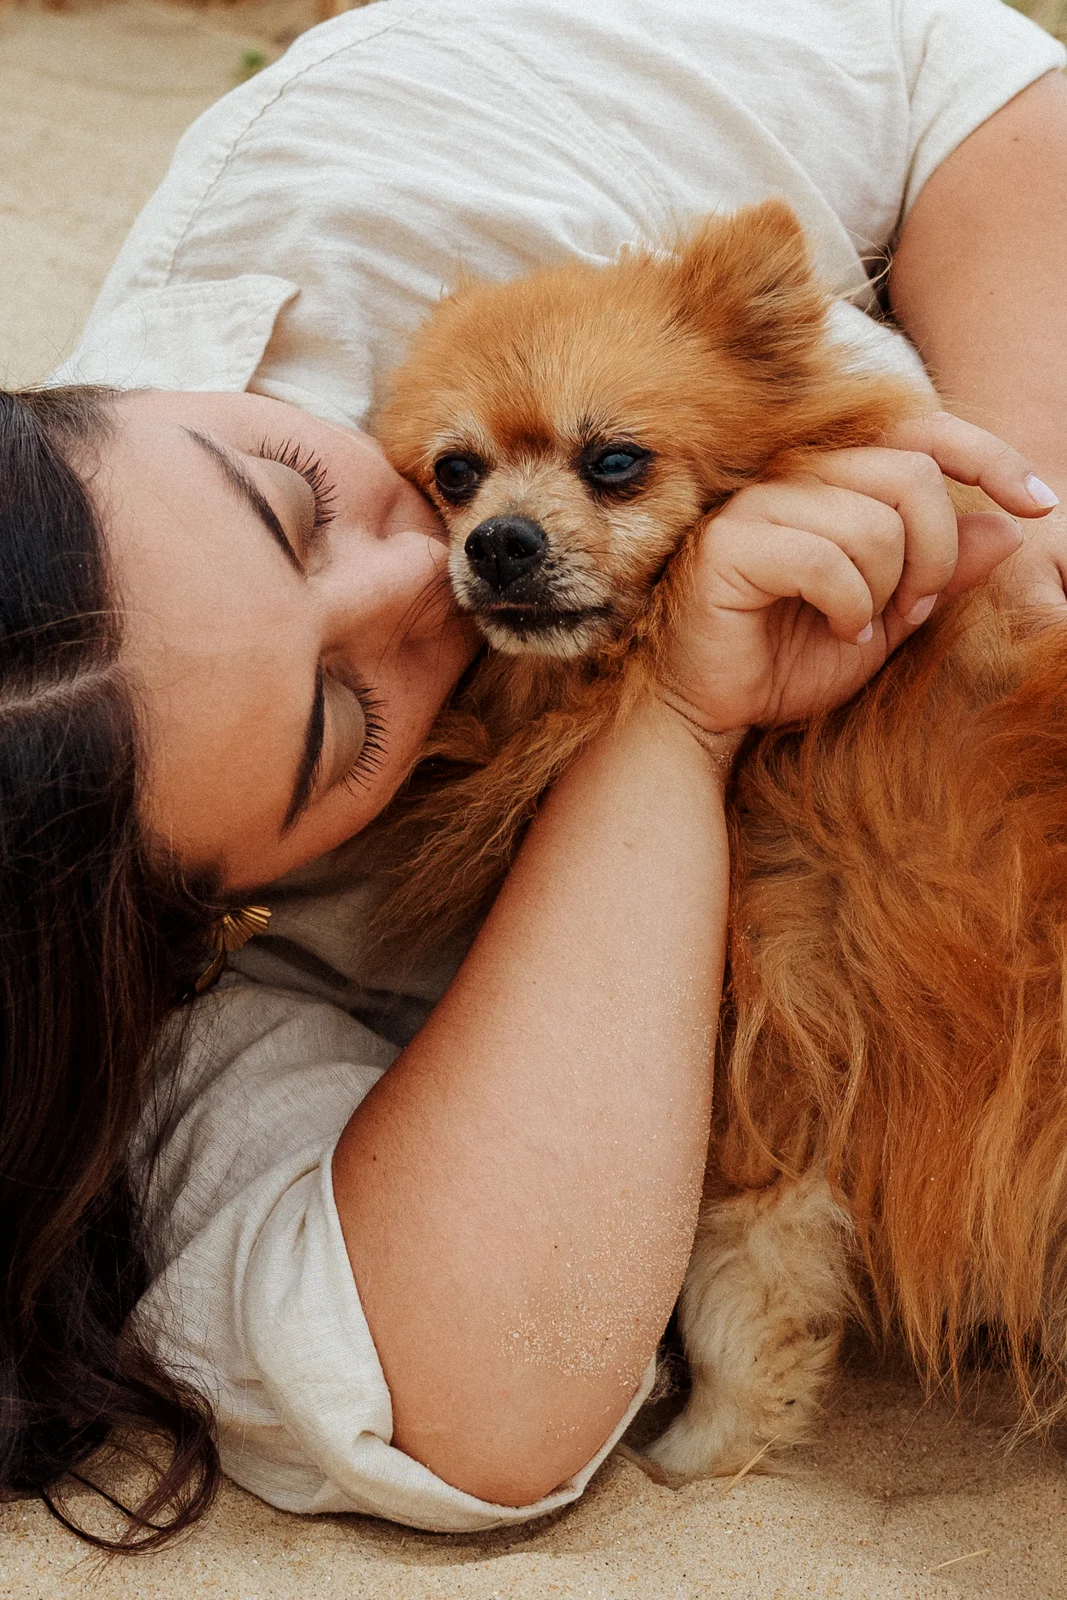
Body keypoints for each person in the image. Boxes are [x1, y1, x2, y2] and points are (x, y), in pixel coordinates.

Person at [3, 0, 1067, 1552]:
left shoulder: (401, 146)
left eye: (292, 498)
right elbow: (480, 1393)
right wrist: (675, 723)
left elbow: (959, 68)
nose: (428, 579)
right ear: (216, 920)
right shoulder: (147, 1004)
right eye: (335, 725)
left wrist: (1029, 525)